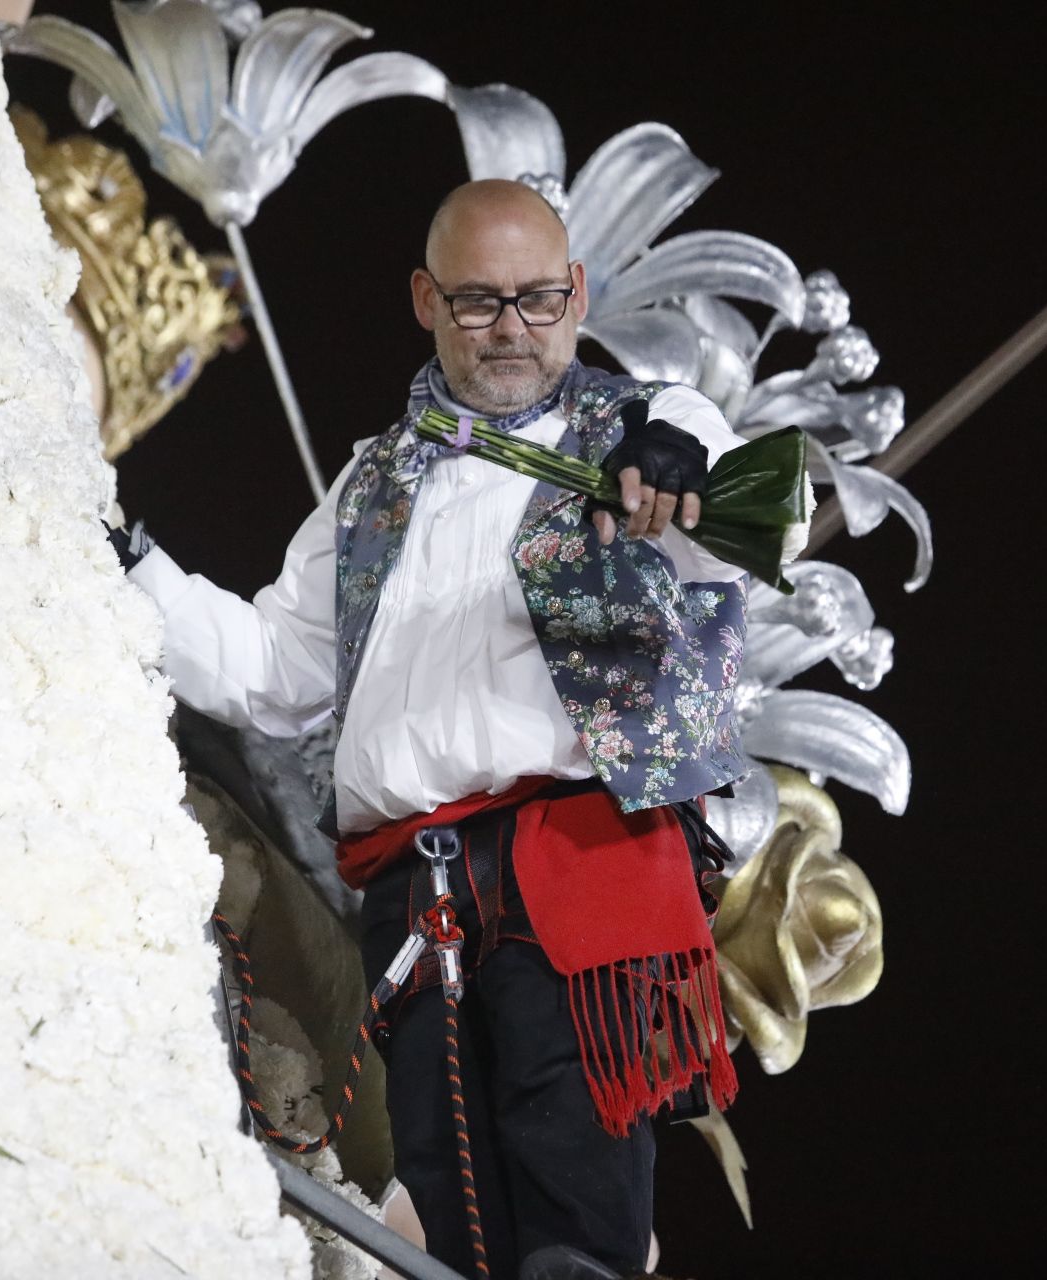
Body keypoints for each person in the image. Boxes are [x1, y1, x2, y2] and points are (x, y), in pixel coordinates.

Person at [117, 179, 750, 1277]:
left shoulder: (642, 439)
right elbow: (272, 671)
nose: (511, 328)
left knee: (575, 1195)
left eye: (538, 300)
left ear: (578, 293)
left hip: (580, 867)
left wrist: (685, 453)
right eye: (476, 302)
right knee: (454, 1217)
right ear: (424, 298)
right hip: (417, 896)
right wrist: (129, 566)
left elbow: (737, 495)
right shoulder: (374, 484)